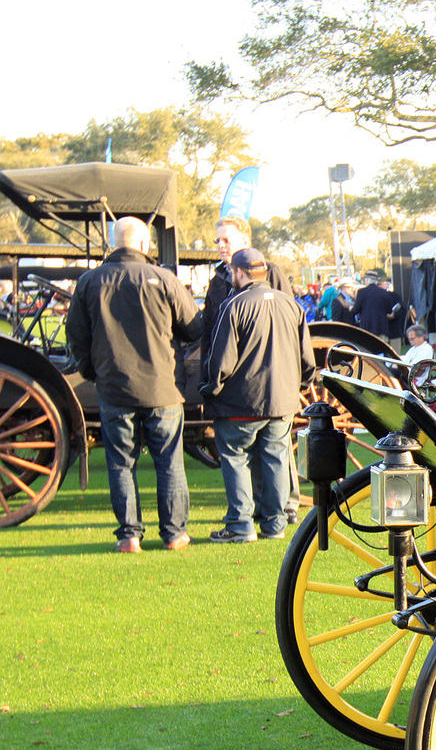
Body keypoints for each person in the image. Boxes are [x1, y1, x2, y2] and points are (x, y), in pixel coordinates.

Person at [64, 216, 199, 552]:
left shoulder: (89, 282)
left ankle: (129, 536)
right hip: (162, 388)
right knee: (169, 462)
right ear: (143, 244)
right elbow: (194, 328)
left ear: (115, 242)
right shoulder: (163, 279)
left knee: (121, 463)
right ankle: (175, 534)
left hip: (114, 389)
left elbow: (76, 337)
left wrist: (93, 371)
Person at [199, 248, 315, 543]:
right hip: (282, 401)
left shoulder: (234, 305)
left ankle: (240, 524)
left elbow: (221, 360)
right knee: (276, 457)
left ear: (239, 272)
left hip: (241, 401)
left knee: (236, 458)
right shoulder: (291, 304)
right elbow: (307, 361)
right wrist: (298, 387)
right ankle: (274, 525)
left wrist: (210, 388)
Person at [353, 273, 400, 337]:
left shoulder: (362, 292)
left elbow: (356, 309)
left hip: (366, 326)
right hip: (381, 326)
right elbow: (389, 309)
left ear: (367, 280)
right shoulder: (384, 292)